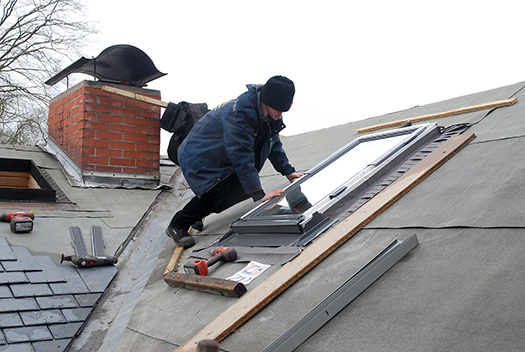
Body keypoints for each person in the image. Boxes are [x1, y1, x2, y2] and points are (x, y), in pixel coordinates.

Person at [166, 75, 302, 248]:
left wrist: (288, 170)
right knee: (218, 190)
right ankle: (178, 224)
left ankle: (198, 212)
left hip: (220, 154)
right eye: (278, 110)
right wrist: (258, 193)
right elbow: (240, 153)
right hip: (198, 155)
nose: (279, 116)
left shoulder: (269, 114)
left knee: (238, 188)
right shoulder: (240, 113)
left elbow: (272, 143)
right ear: (267, 103)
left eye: (283, 111)